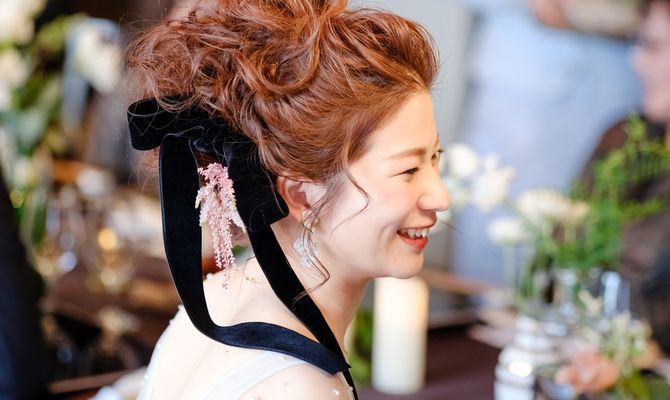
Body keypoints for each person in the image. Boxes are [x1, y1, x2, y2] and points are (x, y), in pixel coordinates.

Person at [124, 0, 450, 398]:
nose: (440, 197)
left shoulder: (219, 296)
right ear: (300, 195)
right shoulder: (301, 386)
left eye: (435, 157)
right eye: (408, 170)